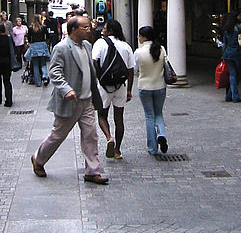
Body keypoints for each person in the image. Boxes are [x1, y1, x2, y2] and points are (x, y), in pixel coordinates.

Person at [31, 16, 108, 185]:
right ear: (74, 30)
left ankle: (92, 171)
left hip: (87, 100)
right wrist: (67, 89)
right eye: (85, 28)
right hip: (70, 100)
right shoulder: (62, 48)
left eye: (89, 27)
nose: (89, 30)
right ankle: (38, 158)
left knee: (90, 135)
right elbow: (55, 72)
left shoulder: (87, 46)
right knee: (58, 135)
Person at [92, 19, 134, 160]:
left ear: (110, 30)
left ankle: (109, 137)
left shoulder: (100, 43)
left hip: (104, 86)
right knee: (119, 118)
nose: (102, 30)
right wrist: (129, 90)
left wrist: (99, 79)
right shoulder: (126, 46)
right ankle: (117, 150)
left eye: (104, 28)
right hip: (120, 86)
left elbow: (95, 63)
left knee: (102, 115)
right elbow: (130, 70)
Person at [134, 26, 168, 156]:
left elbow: (136, 69)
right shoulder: (161, 49)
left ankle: (152, 148)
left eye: (139, 35)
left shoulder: (138, 52)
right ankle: (162, 134)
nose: (138, 37)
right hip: (160, 86)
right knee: (158, 113)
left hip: (144, 87)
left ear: (144, 37)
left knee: (149, 116)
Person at [221, 11, 241, 103]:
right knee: (238, 74)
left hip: (228, 53)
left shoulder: (227, 27)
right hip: (238, 53)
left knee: (232, 74)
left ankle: (230, 95)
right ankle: (234, 96)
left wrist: (223, 55)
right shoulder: (240, 26)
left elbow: (224, 42)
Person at [26, 14, 51, 86]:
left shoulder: (31, 28)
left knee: (35, 65)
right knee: (43, 63)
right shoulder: (43, 27)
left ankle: (38, 82)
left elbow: (29, 38)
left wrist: (30, 44)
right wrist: (46, 43)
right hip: (42, 45)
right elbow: (48, 36)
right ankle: (45, 76)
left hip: (34, 46)